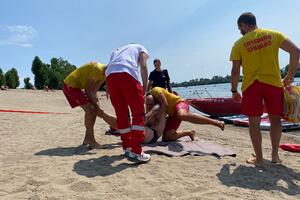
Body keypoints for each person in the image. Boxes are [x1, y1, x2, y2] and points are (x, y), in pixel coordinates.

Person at [230, 12, 300, 167]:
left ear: (244, 24)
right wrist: (289, 76)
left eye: (239, 27)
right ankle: (275, 155)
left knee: (254, 123)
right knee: (275, 119)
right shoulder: (273, 34)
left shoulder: (238, 44)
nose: (239, 31)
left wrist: (234, 91)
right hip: (273, 83)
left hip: (251, 85)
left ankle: (260, 159)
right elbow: (296, 51)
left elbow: (235, 71)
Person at [105, 43, 151, 163]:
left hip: (111, 78)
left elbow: (108, 68)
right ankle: (136, 151)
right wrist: (145, 88)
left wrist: (108, 88)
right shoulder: (140, 47)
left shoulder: (117, 50)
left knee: (122, 115)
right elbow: (144, 66)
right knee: (138, 113)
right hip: (127, 74)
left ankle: (127, 147)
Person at [146, 87, 225, 142]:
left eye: (150, 104)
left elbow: (165, 104)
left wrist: (158, 118)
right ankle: (189, 132)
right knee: (167, 137)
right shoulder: (152, 101)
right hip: (173, 114)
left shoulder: (155, 90)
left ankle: (216, 122)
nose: (149, 106)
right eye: (147, 104)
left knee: (182, 115)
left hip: (179, 103)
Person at [62, 61, 106, 149]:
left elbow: (94, 92)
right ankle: (91, 140)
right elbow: (88, 91)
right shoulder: (98, 69)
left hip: (76, 87)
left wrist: (98, 107)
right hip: (70, 85)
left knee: (93, 110)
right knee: (90, 110)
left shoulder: (104, 75)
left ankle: (87, 138)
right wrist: (97, 107)